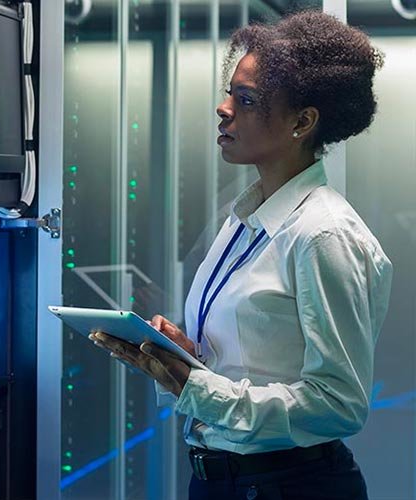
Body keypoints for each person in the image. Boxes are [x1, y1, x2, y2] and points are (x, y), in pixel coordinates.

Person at [90, 10, 392, 500]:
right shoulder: (245, 217)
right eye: (230, 92)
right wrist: (185, 359)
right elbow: (257, 360)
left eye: (246, 99)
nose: (223, 108)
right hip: (223, 481)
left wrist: (198, 388)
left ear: (302, 122)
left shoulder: (324, 235)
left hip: (291, 486)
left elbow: (339, 404)